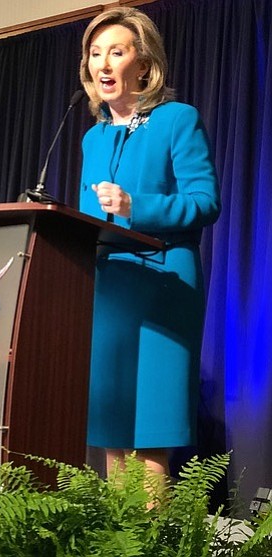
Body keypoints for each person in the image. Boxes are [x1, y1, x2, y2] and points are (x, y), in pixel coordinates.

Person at [79, 7, 221, 479]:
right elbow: (83, 216)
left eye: (116, 52)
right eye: (95, 53)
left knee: (149, 432)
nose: (103, 64)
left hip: (163, 282)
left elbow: (204, 201)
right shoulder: (92, 138)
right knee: (113, 429)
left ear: (143, 64)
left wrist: (135, 206)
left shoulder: (178, 120)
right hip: (109, 288)